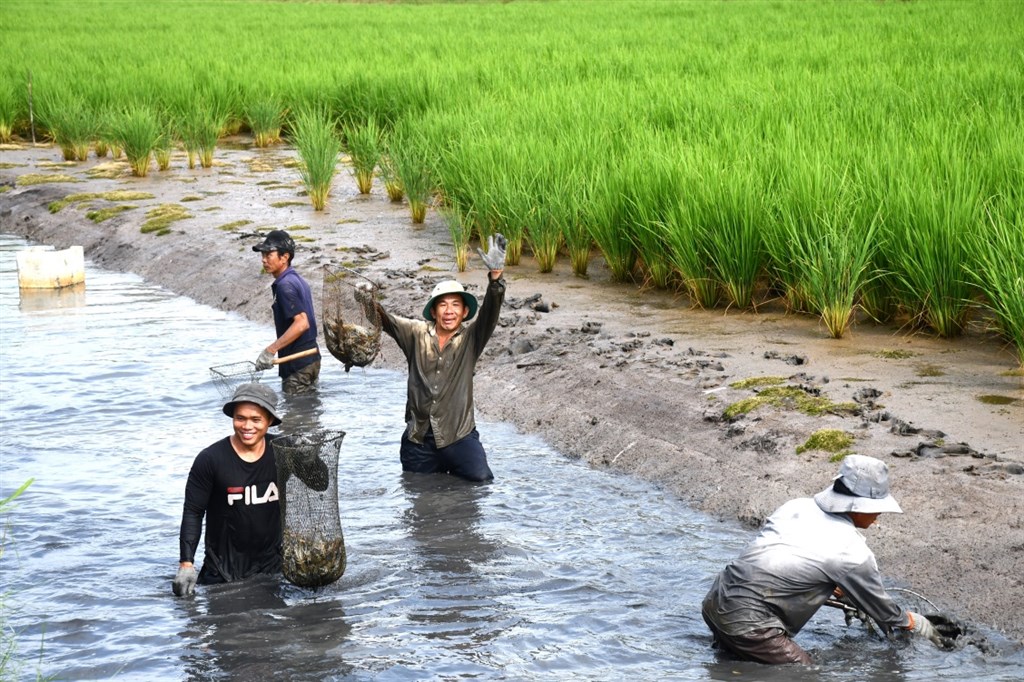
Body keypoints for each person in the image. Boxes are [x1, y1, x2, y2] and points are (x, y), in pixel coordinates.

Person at [701, 454, 950, 665]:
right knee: (804, 673)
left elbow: (780, 562)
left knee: (733, 662)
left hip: (715, 600)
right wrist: (914, 622)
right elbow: (885, 612)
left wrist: (839, 589)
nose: (878, 517)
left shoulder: (795, 506)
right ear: (858, 507)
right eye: (877, 509)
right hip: (750, 625)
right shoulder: (852, 552)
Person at [356, 233, 507, 482]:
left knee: (481, 482)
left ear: (465, 311)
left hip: (458, 436)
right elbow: (385, 321)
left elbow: (491, 311)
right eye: (443, 305)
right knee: (416, 493)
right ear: (434, 311)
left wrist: (496, 279)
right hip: (419, 439)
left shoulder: (471, 339)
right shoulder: (415, 333)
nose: (449, 311)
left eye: (456, 305)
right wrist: (365, 300)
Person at [172, 383, 326, 596]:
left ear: (270, 421)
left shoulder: (284, 451)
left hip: (273, 569)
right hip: (223, 574)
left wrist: (310, 459)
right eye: (240, 418)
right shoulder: (210, 459)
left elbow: (319, 483)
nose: (247, 426)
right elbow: (193, 512)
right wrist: (186, 564)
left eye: (256, 419)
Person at [251, 229, 321, 395]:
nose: (263, 260)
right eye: (262, 255)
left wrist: (270, 350)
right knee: (307, 410)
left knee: (294, 414)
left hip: (298, 364)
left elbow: (302, 323)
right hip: (310, 359)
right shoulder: (296, 279)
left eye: (269, 255)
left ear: (285, 257)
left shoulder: (285, 286)